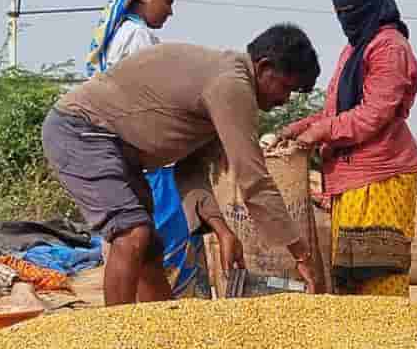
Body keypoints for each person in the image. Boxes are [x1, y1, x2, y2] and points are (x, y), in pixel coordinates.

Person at [43, 24, 322, 306]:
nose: (284, 100)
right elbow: (254, 180)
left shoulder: (223, 83)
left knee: (149, 248)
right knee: (132, 234)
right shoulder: (232, 85)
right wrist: (301, 254)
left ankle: (164, 336)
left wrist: (223, 231)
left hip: (115, 146)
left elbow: (189, 170)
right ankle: (115, 341)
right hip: (82, 131)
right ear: (263, 67)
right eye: (285, 87)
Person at [278, 0, 417, 297]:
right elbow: (337, 113)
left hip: (381, 178)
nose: (346, 20)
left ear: (371, 4)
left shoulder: (389, 47)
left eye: (351, 13)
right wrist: (296, 129)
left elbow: (374, 114)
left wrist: (319, 132)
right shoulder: (354, 49)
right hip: (349, 182)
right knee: (351, 281)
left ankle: (390, 344)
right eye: (339, 15)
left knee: (380, 280)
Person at [84, 0, 210, 300]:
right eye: (167, 1)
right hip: (149, 154)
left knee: (134, 240)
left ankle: (142, 314)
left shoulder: (120, 36)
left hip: (124, 150)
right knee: (169, 234)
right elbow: (156, 97)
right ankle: (171, 308)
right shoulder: (139, 38)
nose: (170, 10)